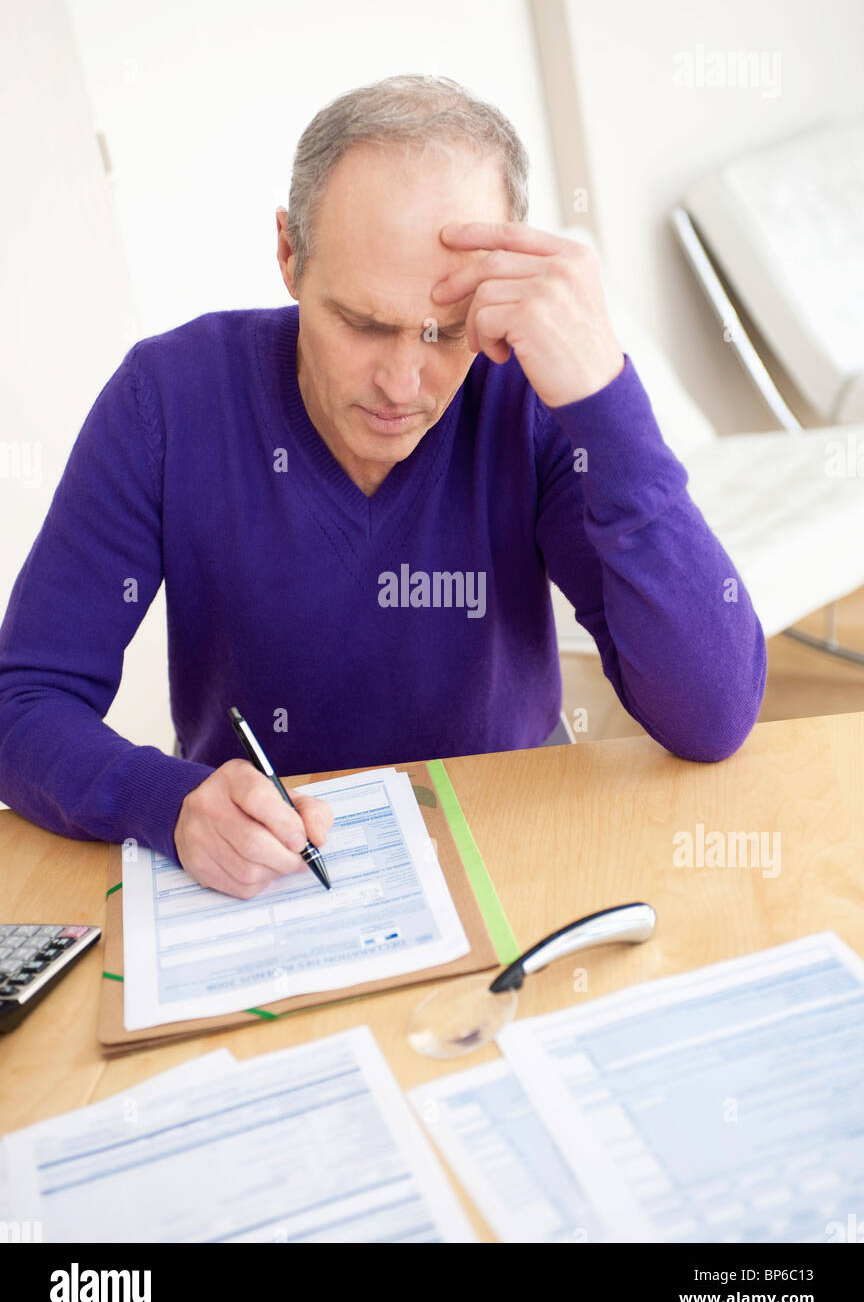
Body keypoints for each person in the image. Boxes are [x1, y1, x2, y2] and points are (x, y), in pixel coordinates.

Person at [0, 74, 766, 900]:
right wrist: (170, 800)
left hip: (516, 843)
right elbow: (24, 702)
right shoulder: (169, 398)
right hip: (272, 880)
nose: (404, 383)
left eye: (444, 332)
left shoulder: (535, 395)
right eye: (362, 324)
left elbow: (712, 714)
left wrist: (606, 398)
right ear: (290, 255)